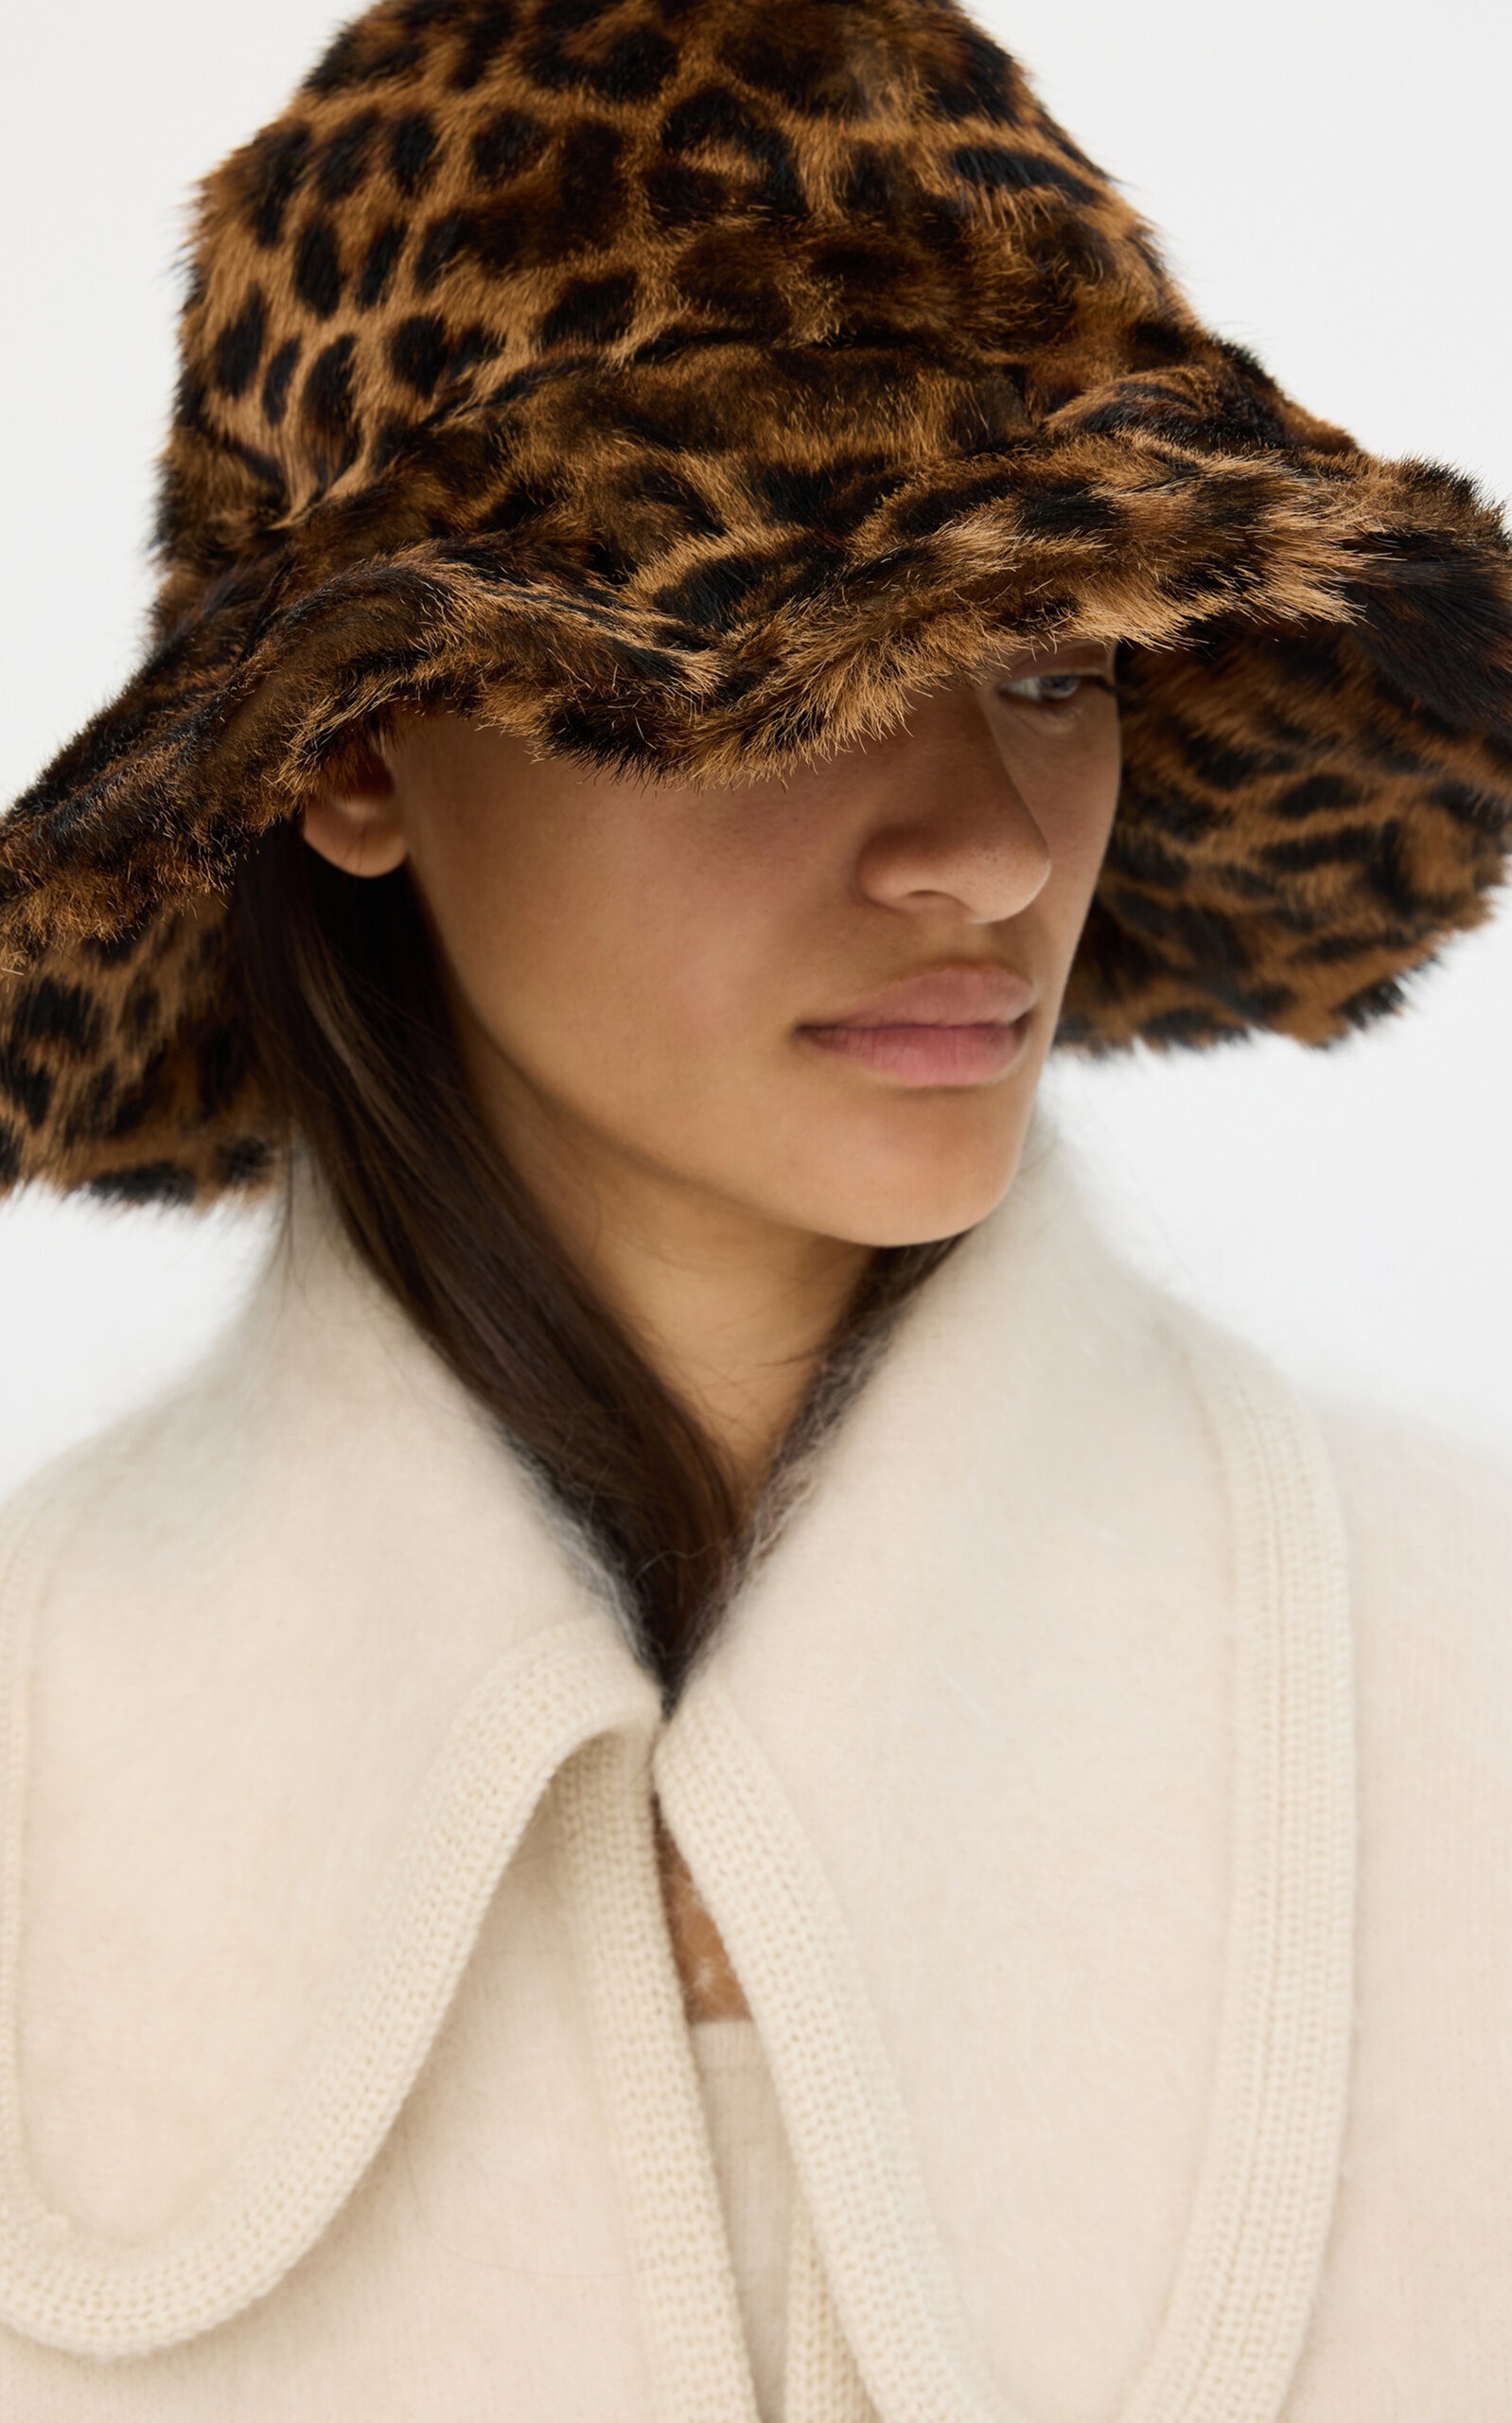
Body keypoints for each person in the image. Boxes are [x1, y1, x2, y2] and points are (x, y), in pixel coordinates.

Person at [0, 0, 1508, 2415]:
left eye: (1050, 657)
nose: (989, 848)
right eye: (775, 670)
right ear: (355, 745)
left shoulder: (1469, 1705)